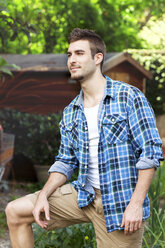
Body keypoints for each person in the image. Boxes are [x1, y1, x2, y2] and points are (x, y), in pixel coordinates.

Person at [5, 28, 163, 248]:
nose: (72, 60)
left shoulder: (128, 96)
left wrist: (136, 205)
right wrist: (43, 195)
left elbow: (150, 152)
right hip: (83, 195)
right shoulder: (71, 111)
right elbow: (65, 162)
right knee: (15, 211)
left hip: (120, 202)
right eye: (69, 55)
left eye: (79, 53)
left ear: (98, 58)